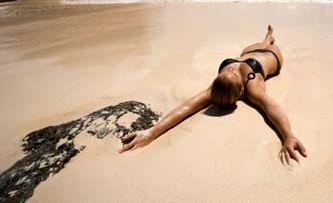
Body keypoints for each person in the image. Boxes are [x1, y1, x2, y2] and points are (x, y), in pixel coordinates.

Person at [119, 25, 307, 165]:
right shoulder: (250, 87)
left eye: (227, 72)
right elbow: (271, 107)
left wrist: (151, 132)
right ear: (240, 90)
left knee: (258, 44)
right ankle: (270, 41)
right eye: (230, 73)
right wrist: (288, 136)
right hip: (272, 55)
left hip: (249, 52)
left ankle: (268, 38)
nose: (230, 69)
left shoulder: (222, 87)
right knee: (267, 46)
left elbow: (186, 107)